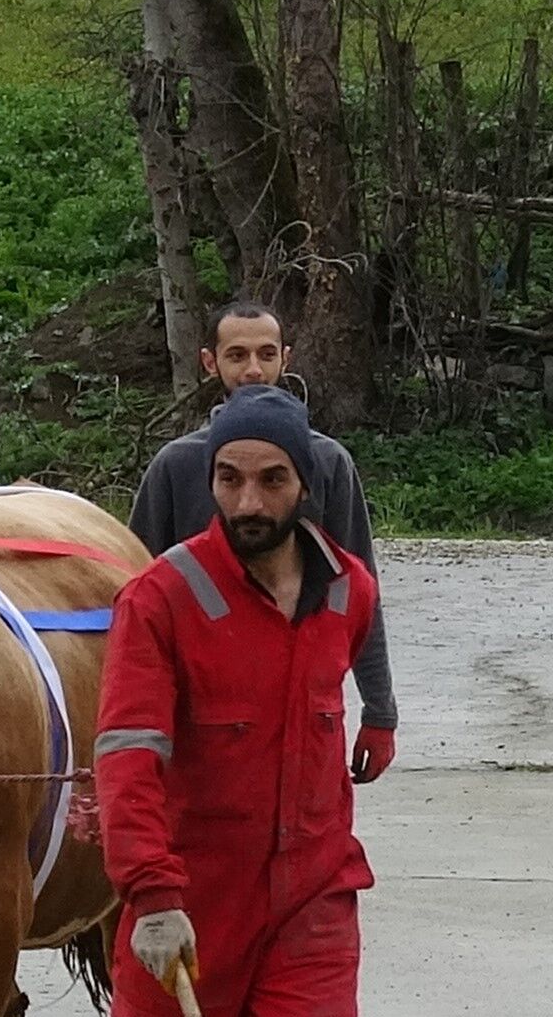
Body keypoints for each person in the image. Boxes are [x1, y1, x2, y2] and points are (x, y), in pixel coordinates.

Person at [82, 387, 387, 1017]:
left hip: (312, 898)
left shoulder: (348, 594)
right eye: (227, 480)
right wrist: (150, 891)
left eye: (269, 480)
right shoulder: (162, 599)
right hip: (187, 907)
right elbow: (126, 756)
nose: (247, 500)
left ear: (307, 484)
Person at [127, 297, 399, 785]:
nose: (253, 369)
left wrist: (380, 711)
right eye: (237, 356)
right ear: (210, 362)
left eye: (266, 354)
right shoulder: (174, 468)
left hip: (300, 710)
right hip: (198, 716)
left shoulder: (328, 464)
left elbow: (360, 591)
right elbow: (129, 602)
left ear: (285, 359)